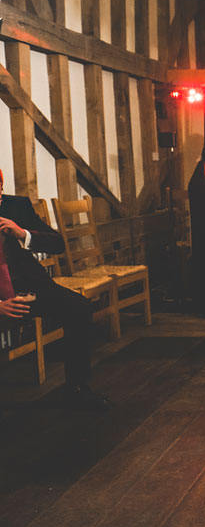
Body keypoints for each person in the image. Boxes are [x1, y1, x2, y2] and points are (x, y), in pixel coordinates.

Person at [0, 169, 109, 411]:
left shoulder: (16, 206)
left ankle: (78, 389)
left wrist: (22, 233)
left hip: (29, 288)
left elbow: (57, 243)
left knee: (78, 307)